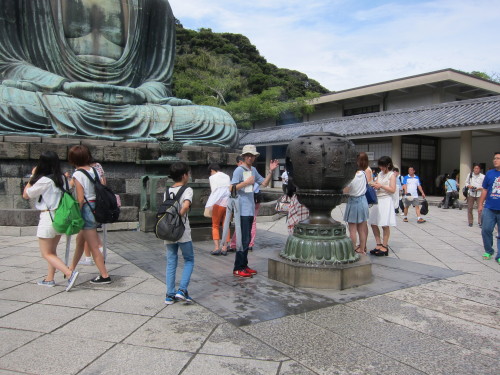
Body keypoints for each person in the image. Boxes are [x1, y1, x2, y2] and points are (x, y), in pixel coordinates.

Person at [0, 0, 238, 146]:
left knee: (218, 122)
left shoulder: (154, 3)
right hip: (58, 98)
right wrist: (62, 85)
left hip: (132, 106)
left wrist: (144, 94)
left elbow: (157, 79)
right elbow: (9, 63)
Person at [22, 151, 79, 291]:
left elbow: (26, 195)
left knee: (46, 253)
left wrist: (33, 177)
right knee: (52, 251)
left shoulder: (44, 180)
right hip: (60, 218)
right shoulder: (62, 178)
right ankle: (49, 278)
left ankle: (69, 273)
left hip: (48, 218)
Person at [231, 145, 279, 277]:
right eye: (247, 155)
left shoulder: (253, 170)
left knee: (247, 239)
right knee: (243, 239)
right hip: (242, 210)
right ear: (243, 156)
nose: (250, 157)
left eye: (252, 156)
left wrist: (271, 171)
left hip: (250, 209)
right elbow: (231, 188)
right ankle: (238, 267)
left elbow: (263, 183)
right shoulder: (239, 170)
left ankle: (244, 265)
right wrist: (246, 183)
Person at [68, 145, 111, 284]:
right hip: (96, 207)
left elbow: (80, 198)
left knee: (92, 246)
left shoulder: (77, 174)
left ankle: (104, 275)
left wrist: (76, 214)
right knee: (80, 241)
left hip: (86, 209)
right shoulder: (94, 170)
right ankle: (70, 270)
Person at [164, 162, 195, 304]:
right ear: (184, 175)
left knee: (171, 261)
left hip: (169, 230)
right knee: (189, 259)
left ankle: (170, 294)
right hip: (182, 230)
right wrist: (179, 217)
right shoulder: (187, 190)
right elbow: (186, 206)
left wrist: (172, 221)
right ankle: (182, 290)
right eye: (188, 173)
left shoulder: (167, 191)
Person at [75, 157, 106, 266]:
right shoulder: (97, 168)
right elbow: (103, 183)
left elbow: (80, 198)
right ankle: (72, 268)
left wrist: (77, 212)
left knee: (87, 239)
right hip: (96, 204)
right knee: (84, 237)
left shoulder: (78, 172)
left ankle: (71, 270)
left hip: (87, 206)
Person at [368, 156, 397, 256]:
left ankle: (385, 246)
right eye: (380, 166)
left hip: (386, 199)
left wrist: (381, 186)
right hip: (378, 199)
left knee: (385, 224)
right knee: (373, 222)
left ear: (388, 165)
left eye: (383, 166)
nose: (381, 168)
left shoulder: (391, 175)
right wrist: (374, 184)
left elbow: (393, 189)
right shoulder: (380, 174)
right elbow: (377, 183)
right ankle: (378, 244)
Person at [343, 153, 370, 254]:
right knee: (362, 229)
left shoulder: (352, 176)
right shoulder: (364, 174)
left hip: (353, 202)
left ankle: (353, 249)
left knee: (352, 229)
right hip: (363, 201)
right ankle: (362, 249)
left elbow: (346, 190)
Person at [477, 152, 500, 264]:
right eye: (494, 158)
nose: (495, 160)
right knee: (486, 230)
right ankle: (489, 250)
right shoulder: (490, 174)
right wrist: (481, 204)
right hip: (489, 207)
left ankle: (499, 255)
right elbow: (485, 190)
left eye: (498, 158)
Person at [205, 163, 231, 256]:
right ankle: (224, 247)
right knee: (226, 225)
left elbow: (214, 191)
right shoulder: (227, 176)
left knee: (215, 225)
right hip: (228, 203)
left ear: (212, 170)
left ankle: (216, 247)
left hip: (218, 203)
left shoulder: (212, 178)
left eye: (210, 172)